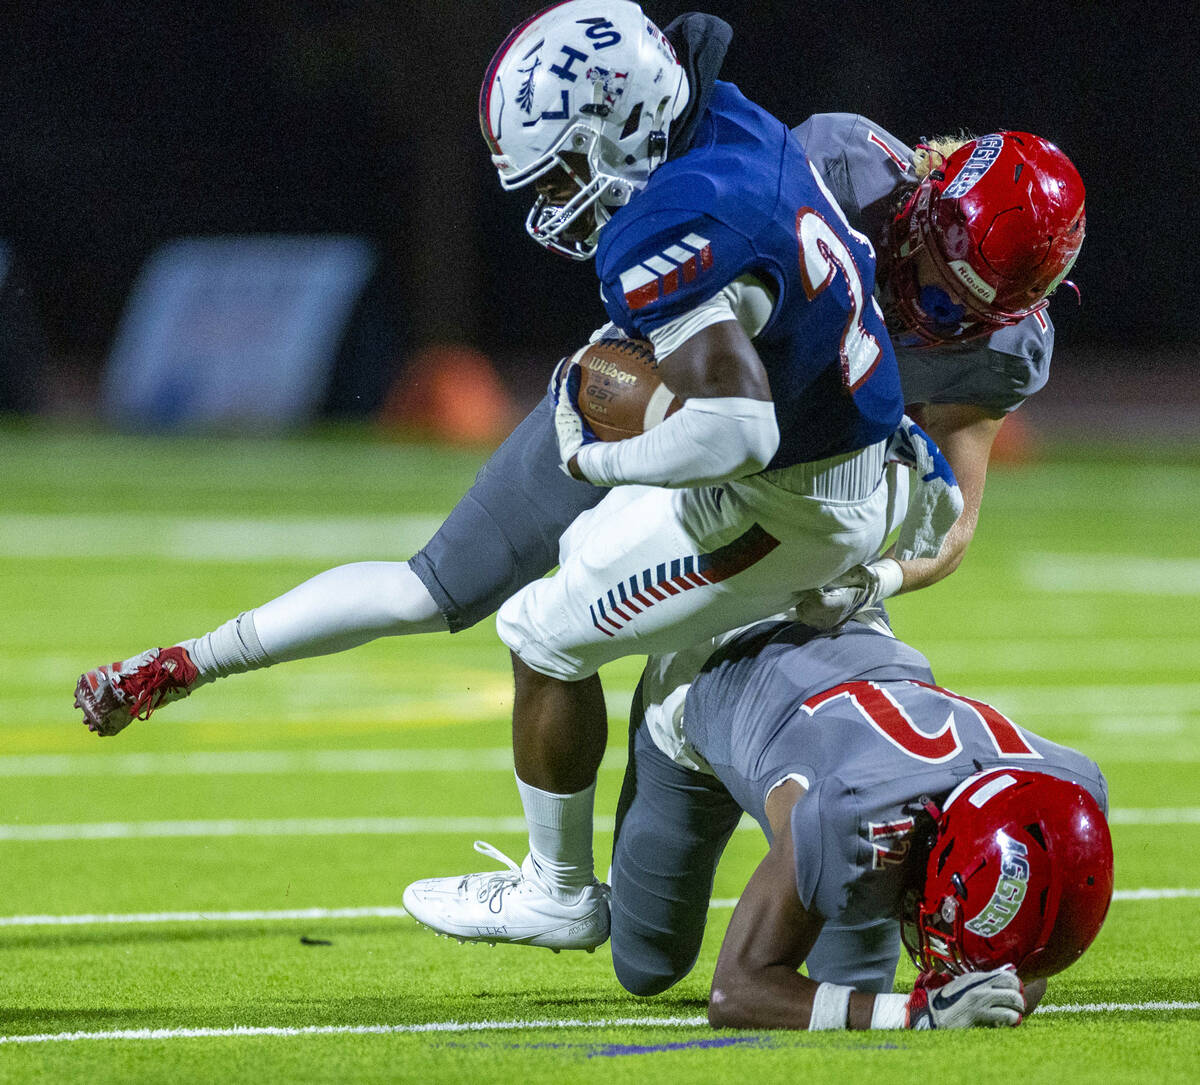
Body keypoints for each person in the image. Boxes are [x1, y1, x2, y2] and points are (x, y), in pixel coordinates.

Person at [73, 10, 1084, 945]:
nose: (925, 310)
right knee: (439, 585)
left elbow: (940, 510)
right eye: (920, 266)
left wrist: (867, 569)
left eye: (957, 316)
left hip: (781, 479)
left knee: (566, 641)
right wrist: (620, 427)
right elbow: (709, 352)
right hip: (669, 408)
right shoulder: (834, 160)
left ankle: (597, 878)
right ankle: (189, 660)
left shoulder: (997, 352)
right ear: (916, 202)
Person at [606, 611, 1113, 1030]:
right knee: (648, 965)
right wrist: (914, 1013)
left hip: (845, 656)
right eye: (945, 915)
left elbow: (1038, 938)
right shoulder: (855, 816)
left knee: (849, 994)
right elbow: (736, 993)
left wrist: (1011, 963)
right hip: (705, 666)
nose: (938, 930)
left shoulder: (1070, 792)